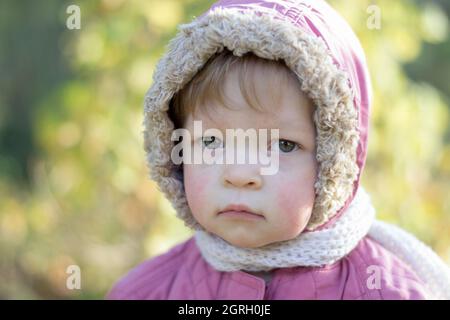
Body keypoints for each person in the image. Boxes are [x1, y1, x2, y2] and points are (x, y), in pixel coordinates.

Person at [107, 0, 450, 299]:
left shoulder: (384, 292)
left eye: (283, 145)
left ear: (334, 164)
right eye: (210, 142)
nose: (240, 175)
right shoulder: (145, 292)